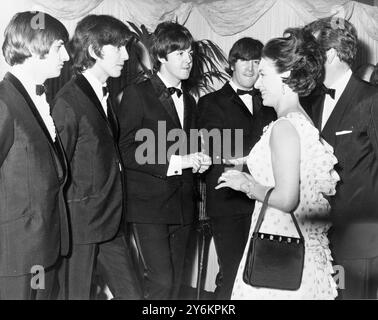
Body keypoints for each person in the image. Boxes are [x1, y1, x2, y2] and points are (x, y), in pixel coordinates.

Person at [216, 28, 340, 299]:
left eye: (263, 75)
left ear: (285, 77)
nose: (257, 83)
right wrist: (251, 159)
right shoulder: (302, 120)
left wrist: (247, 184)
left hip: (277, 246)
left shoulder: (283, 127)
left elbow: (286, 198)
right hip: (300, 252)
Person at [117, 21, 211, 300]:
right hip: (149, 206)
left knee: (176, 283)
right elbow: (125, 148)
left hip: (182, 204)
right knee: (161, 282)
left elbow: (188, 148)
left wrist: (198, 161)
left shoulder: (191, 101)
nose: (188, 60)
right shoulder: (138, 93)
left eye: (190, 53)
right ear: (160, 56)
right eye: (180, 54)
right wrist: (178, 162)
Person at [52, 15, 141, 300]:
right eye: (118, 48)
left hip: (110, 220)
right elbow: (57, 171)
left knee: (133, 295)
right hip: (81, 226)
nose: (126, 56)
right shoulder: (68, 101)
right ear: (94, 51)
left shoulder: (103, 95)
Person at [302, 17, 378, 299]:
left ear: (330, 54)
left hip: (362, 243)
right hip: (322, 238)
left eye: (311, 53)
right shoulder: (313, 102)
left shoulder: (371, 99)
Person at [197, 37, 276, 300]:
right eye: (245, 61)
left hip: (263, 200)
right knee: (232, 273)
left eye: (257, 62)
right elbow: (217, 150)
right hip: (228, 201)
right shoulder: (210, 102)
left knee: (259, 275)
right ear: (233, 63)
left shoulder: (268, 102)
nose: (251, 69)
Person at [0, 11, 70, 300]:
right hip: (15, 256)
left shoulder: (38, 99)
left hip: (44, 247)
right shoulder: (4, 102)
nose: (66, 56)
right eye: (58, 47)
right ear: (32, 47)